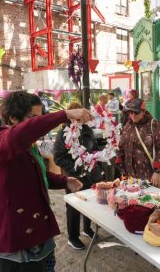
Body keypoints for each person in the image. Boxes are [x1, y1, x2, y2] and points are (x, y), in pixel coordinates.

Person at [0, 91, 87, 271]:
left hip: (40, 231)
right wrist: (64, 115)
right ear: (14, 118)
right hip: (17, 237)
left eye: (40, 118)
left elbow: (40, 174)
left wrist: (65, 181)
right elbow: (19, 135)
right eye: (32, 118)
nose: (38, 124)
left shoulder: (28, 144)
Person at [54, 102, 101, 250]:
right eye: (77, 117)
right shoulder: (63, 134)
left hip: (90, 174)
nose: (80, 120)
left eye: (82, 117)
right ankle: (73, 237)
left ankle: (87, 229)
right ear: (71, 117)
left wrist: (96, 155)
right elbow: (58, 157)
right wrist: (75, 168)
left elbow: (94, 147)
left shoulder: (87, 130)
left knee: (89, 202)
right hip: (73, 177)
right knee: (73, 207)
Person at [115, 98, 160, 187]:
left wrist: (157, 172)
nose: (133, 115)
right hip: (130, 176)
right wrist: (121, 169)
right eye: (131, 112)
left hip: (148, 176)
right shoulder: (127, 126)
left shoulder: (153, 124)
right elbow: (121, 147)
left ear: (143, 112)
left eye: (136, 112)